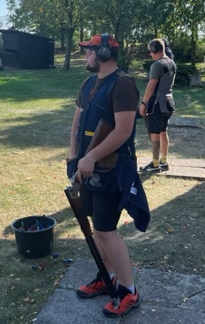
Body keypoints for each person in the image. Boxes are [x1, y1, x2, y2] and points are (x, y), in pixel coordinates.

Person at [67, 33, 149, 318]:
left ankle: (129, 290)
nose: (85, 55)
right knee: (97, 225)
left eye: (89, 51)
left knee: (104, 230)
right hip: (87, 167)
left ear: (103, 53)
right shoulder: (89, 83)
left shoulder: (123, 84)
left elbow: (123, 131)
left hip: (111, 169)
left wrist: (91, 157)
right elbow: (77, 121)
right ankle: (106, 277)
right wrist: (74, 156)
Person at [139, 38, 176, 173]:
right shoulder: (171, 63)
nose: (150, 54)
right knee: (163, 131)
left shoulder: (157, 65)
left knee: (154, 133)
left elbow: (151, 86)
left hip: (157, 104)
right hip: (169, 102)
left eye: (150, 51)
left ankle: (155, 164)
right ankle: (163, 161)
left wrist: (143, 103)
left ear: (155, 50)